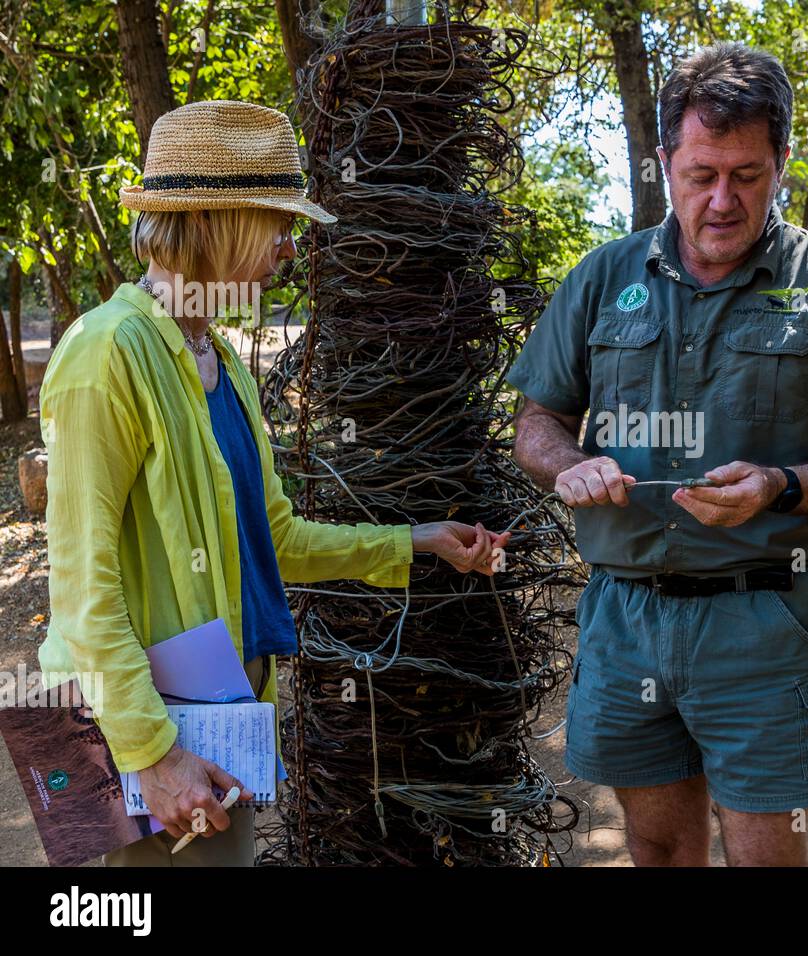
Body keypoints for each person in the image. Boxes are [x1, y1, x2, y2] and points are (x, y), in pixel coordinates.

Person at [38, 100, 511, 866]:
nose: (290, 249)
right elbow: (83, 593)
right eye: (279, 224)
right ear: (219, 221)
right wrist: (153, 754)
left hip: (222, 724)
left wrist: (414, 543)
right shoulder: (106, 353)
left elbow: (273, 540)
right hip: (154, 745)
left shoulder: (220, 366)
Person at [506, 43, 808, 866]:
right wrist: (569, 463)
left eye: (746, 175)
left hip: (764, 619)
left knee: (764, 854)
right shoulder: (602, 277)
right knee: (660, 848)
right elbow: (536, 422)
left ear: (781, 163)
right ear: (664, 160)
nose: (721, 200)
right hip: (624, 617)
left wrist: (781, 486)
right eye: (701, 173)